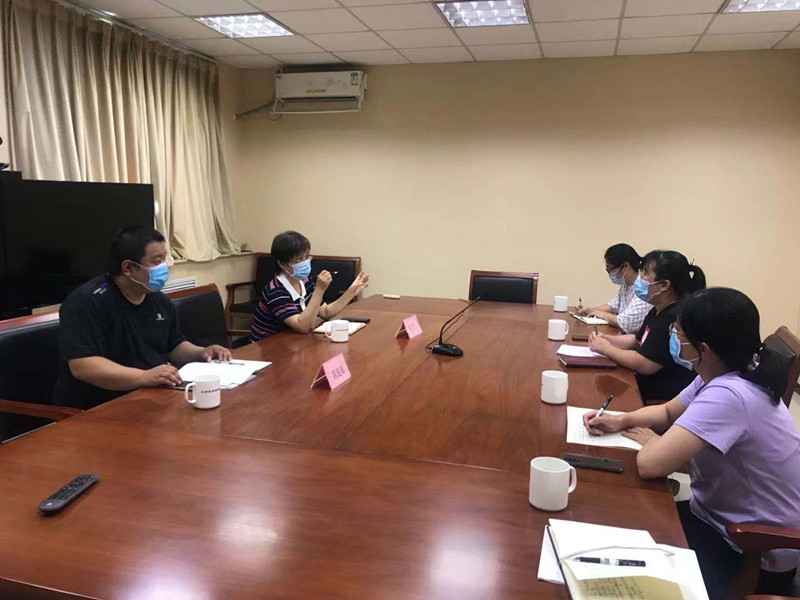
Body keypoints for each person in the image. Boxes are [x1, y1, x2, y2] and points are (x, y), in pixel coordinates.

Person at [582, 288, 800, 599]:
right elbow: (667, 411)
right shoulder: (723, 373)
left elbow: (650, 465)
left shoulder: (730, 395)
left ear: (704, 349)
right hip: (717, 518)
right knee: (617, 527)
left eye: (678, 333)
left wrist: (657, 444)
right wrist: (622, 420)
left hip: (751, 548)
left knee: (621, 560)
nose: (673, 336)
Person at [53, 225, 231, 410]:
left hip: (150, 396)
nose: (164, 267)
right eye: (157, 261)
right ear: (128, 267)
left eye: (164, 259)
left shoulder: (158, 300)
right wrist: (143, 377)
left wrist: (202, 353)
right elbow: (83, 365)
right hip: (97, 407)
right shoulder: (87, 302)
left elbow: (174, 345)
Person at [589, 250, 705, 405]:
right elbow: (637, 340)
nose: (639, 277)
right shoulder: (657, 308)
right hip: (645, 383)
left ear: (664, 285)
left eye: (644, 273)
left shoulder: (673, 316)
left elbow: (645, 364)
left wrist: (607, 349)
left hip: (664, 395)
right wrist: (607, 339)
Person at [250, 231, 369, 341]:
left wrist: (351, 292)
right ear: (282, 263)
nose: (305, 262)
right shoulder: (276, 291)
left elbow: (326, 312)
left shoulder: (303, 281)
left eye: (307, 256)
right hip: (268, 346)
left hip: (293, 341)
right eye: (299, 259)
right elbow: (302, 326)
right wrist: (319, 289)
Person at [576, 243, 651, 334]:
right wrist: (590, 310)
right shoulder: (626, 284)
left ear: (625, 266)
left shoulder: (643, 288)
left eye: (610, 269)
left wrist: (601, 314)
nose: (610, 273)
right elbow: (613, 306)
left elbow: (625, 322)